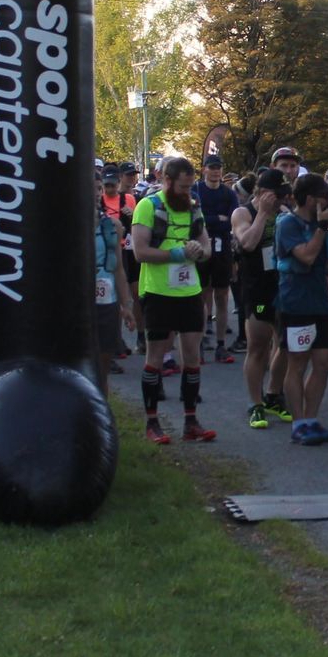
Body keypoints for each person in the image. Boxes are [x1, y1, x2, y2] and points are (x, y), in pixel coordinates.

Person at [131, 156, 216, 444]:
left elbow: (207, 247)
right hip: (157, 292)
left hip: (189, 292)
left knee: (192, 356)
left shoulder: (193, 207)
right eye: (181, 187)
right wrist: (175, 255)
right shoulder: (148, 206)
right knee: (155, 356)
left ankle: (191, 421)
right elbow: (140, 252)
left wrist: (198, 251)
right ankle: (152, 422)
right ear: (166, 181)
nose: (186, 192)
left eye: (189, 186)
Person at [277, 172, 328, 445]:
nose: (327, 200)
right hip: (295, 301)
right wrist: (321, 229)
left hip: (320, 301)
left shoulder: (322, 227)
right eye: (322, 196)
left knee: (324, 363)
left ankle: (312, 420)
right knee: (298, 362)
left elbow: (321, 260)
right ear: (308, 199)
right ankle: (299, 422)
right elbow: (304, 256)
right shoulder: (287, 224)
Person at [233, 168, 292, 428]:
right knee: (258, 344)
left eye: (283, 194)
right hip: (256, 287)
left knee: (287, 343)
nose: (280, 199)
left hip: (282, 285)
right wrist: (264, 214)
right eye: (275, 194)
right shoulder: (244, 212)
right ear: (261, 192)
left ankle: (273, 394)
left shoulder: (284, 213)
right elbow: (247, 243)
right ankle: (254, 403)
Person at [192, 153, 239, 363]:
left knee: (222, 296)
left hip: (223, 247)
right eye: (212, 167)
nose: (216, 171)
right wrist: (214, 219)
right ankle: (199, 342)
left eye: (218, 167)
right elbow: (196, 218)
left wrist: (215, 220)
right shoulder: (196, 191)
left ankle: (221, 344)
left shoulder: (228, 193)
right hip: (201, 247)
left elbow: (232, 220)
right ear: (204, 170)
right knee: (201, 296)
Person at [93, 168, 138, 392]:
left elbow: (118, 268)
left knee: (102, 366)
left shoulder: (112, 226)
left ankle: (101, 415)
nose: (94, 193)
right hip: (79, 300)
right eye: (89, 188)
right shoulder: (67, 225)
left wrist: (126, 304)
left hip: (106, 298)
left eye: (98, 189)